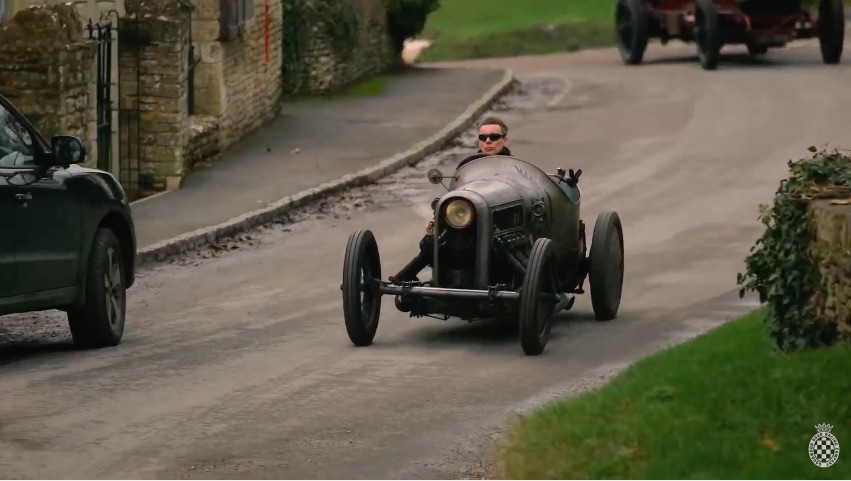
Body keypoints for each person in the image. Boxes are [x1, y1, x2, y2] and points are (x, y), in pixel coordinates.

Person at [389, 116, 512, 284]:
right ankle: (405, 277)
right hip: (466, 225)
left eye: (494, 137)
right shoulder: (469, 167)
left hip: (499, 228)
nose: (488, 141)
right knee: (439, 240)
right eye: (483, 138)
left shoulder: (513, 167)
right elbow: (458, 195)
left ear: (504, 139)